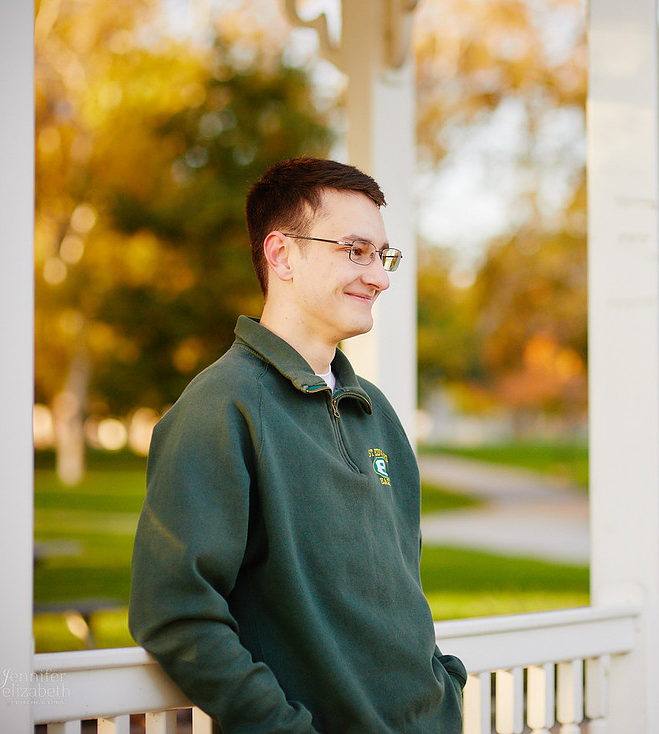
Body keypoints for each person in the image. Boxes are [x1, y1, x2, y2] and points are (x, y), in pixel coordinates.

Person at [129, 157, 466, 733]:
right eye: (354, 251)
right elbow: (177, 615)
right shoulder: (221, 408)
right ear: (282, 254)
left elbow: (401, 589)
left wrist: (444, 689)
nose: (380, 277)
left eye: (381, 256)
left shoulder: (376, 412)